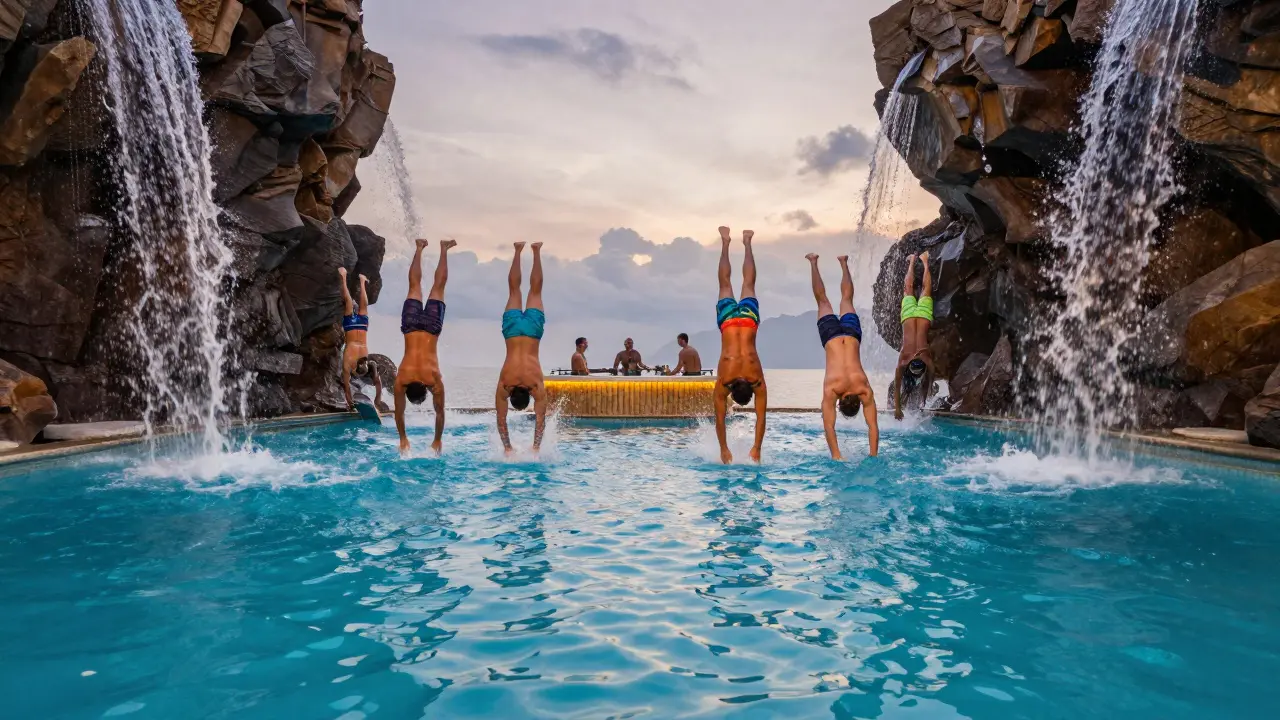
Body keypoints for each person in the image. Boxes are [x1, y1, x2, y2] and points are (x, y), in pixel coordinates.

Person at [808, 253, 879, 459]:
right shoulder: (833, 389)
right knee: (822, 301)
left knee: (847, 299)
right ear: (840, 403)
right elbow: (829, 427)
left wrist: (874, 453)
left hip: (852, 335)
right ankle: (813, 262)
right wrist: (836, 455)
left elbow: (873, 427)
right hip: (830, 336)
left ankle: (843, 263)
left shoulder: (864, 389)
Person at [394, 238, 455, 455]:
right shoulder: (401, 379)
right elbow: (399, 414)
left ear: (426, 390)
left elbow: (440, 413)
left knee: (439, 286)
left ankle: (444, 249)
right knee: (414, 286)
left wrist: (437, 440)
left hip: (431, 328)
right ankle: (419, 248)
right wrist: (402, 437)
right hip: (410, 326)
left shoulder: (433, 379)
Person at [713, 226, 767, 464]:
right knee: (725, 283)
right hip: (727, 323)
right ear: (732, 392)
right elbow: (721, 418)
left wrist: (756, 447)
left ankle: (744, 242)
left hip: (748, 322)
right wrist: (726, 448)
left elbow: (760, 416)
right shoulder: (724, 382)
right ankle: (725, 242)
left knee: (748, 283)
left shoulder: (757, 380)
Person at [496, 242, 548, 455]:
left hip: (533, 332)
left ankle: (535, 251)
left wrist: (536, 445)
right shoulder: (504, 385)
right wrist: (507, 446)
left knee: (535, 291)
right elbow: (500, 420)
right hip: (511, 331)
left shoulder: (536, 385)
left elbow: (540, 420)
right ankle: (518, 250)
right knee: (514, 290)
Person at [894, 251, 936, 420]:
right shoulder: (904, 359)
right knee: (908, 290)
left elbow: (929, 377)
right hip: (909, 317)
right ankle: (916, 261)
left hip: (924, 317)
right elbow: (898, 385)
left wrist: (898, 409)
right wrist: (923, 403)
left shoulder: (926, 358)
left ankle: (920, 261)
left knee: (924, 290)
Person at [338, 267, 373, 411]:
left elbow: (347, 386)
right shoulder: (348, 364)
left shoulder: (365, 357)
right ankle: (344, 276)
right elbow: (346, 386)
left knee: (362, 306)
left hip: (362, 328)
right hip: (351, 329)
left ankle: (362, 281)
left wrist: (350, 402)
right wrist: (350, 403)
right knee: (348, 303)